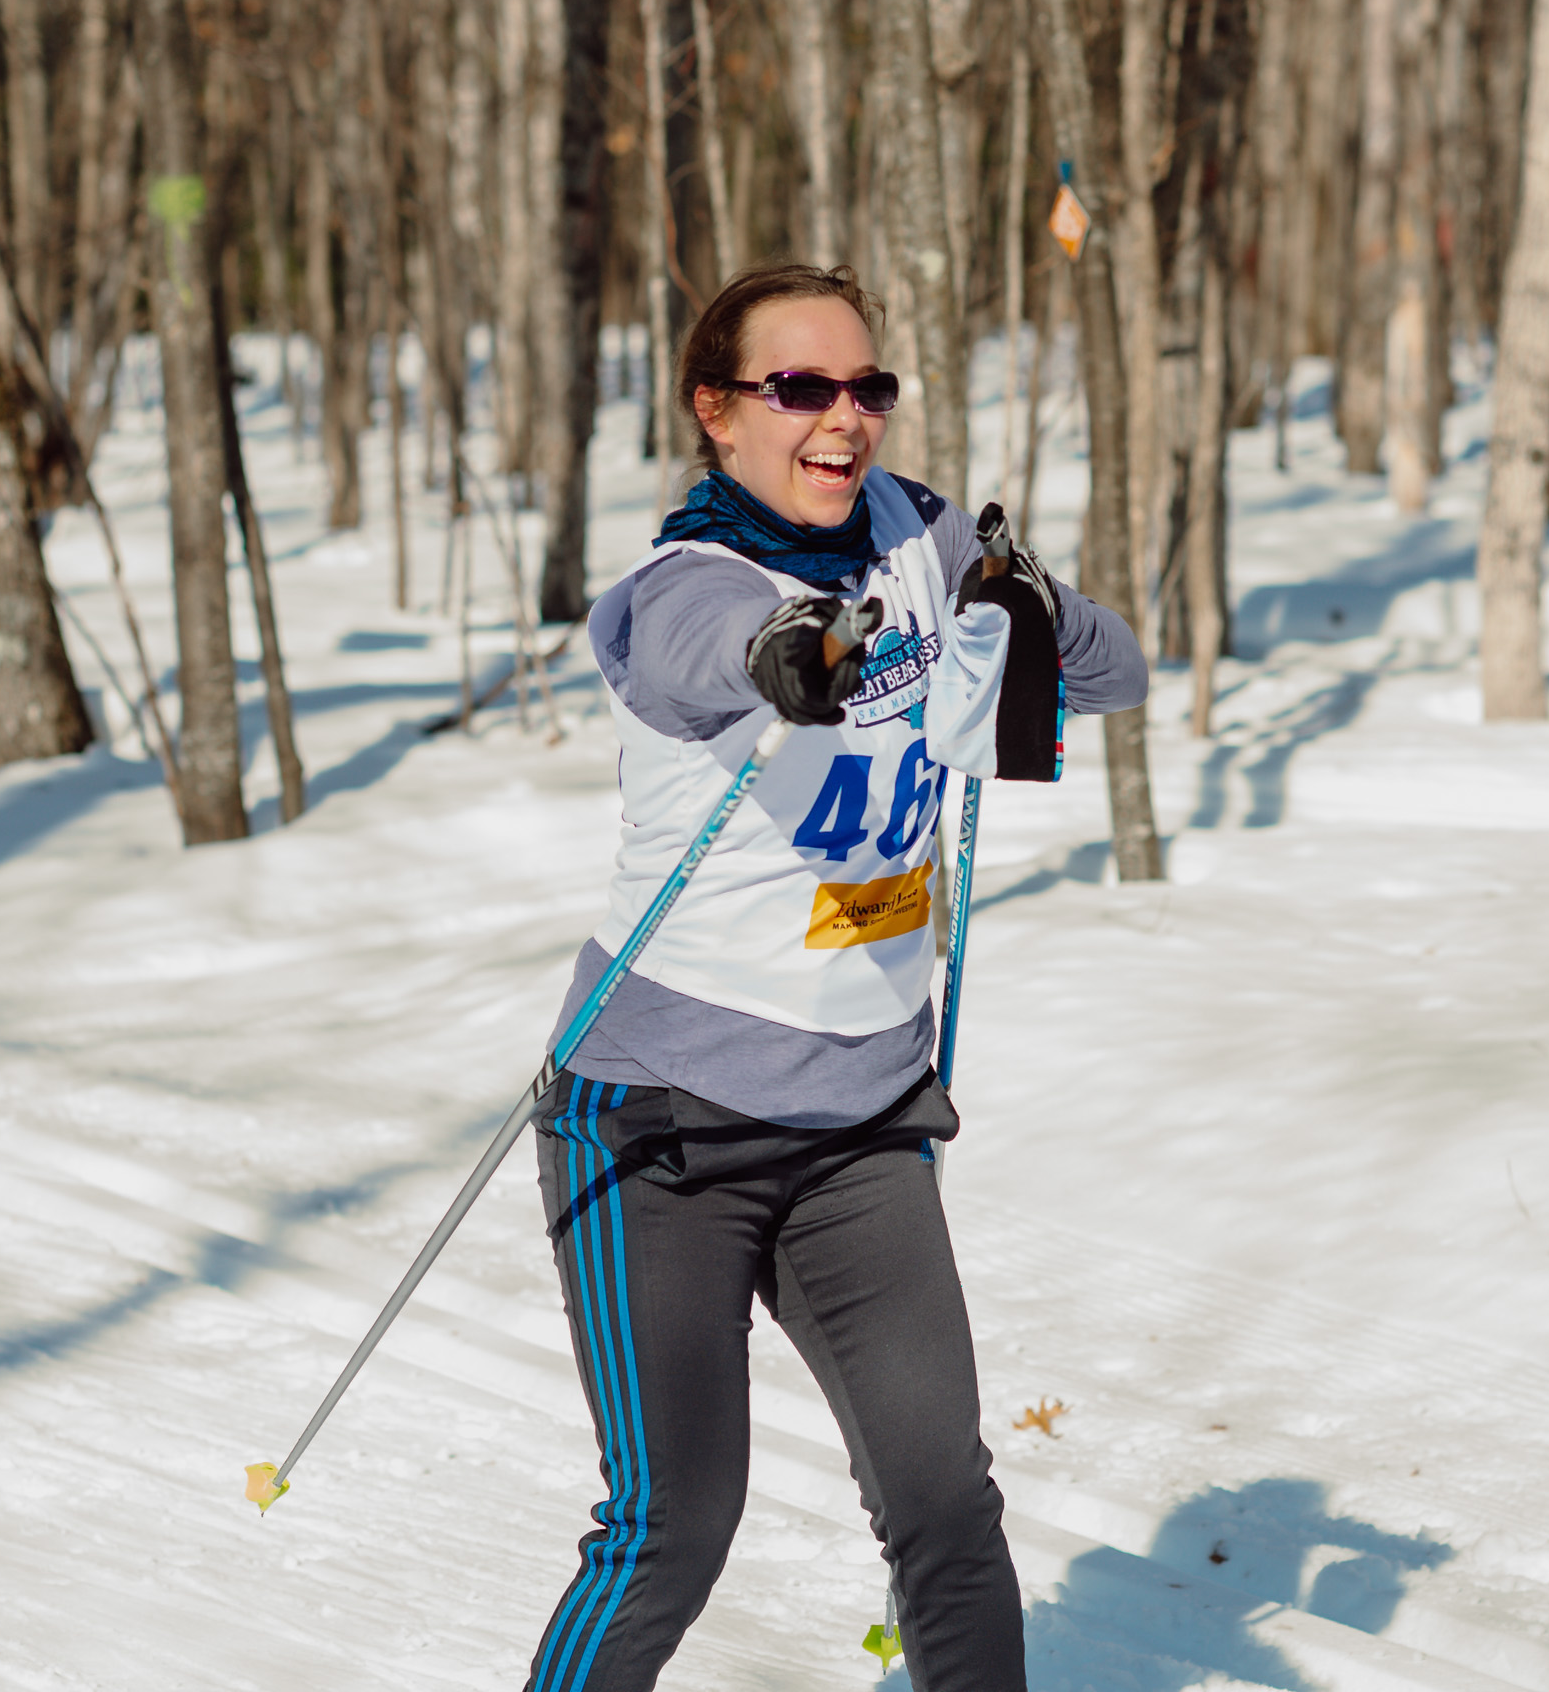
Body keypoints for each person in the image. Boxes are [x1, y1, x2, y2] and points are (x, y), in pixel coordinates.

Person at [524, 263, 1147, 1692]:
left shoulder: (919, 533)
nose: (843, 417)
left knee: (946, 1509)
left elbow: (1112, 681)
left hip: (863, 1125)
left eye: (869, 387)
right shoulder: (678, 586)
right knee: (675, 1523)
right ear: (717, 411)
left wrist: (1031, 599)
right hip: (662, 1127)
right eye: (800, 387)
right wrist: (792, 654)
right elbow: (703, 663)